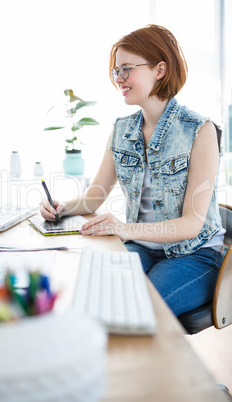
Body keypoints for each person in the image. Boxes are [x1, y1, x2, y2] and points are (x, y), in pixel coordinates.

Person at [40, 24, 225, 317]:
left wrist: (124, 228)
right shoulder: (121, 129)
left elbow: (192, 224)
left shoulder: (200, 131)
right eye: (116, 71)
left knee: (136, 309)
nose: (118, 79)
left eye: (126, 69)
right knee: (91, 293)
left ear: (159, 69)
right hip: (142, 248)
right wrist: (61, 207)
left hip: (194, 256)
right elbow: (93, 198)